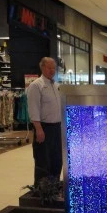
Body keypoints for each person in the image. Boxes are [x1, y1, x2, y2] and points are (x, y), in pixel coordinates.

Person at [27, 57, 62, 187]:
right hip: (44, 128)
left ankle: (55, 186)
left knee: (57, 159)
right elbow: (33, 109)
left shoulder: (57, 86)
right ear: (42, 68)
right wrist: (39, 129)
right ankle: (42, 191)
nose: (52, 70)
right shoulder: (36, 85)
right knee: (43, 160)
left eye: (54, 68)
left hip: (57, 128)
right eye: (49, 67)